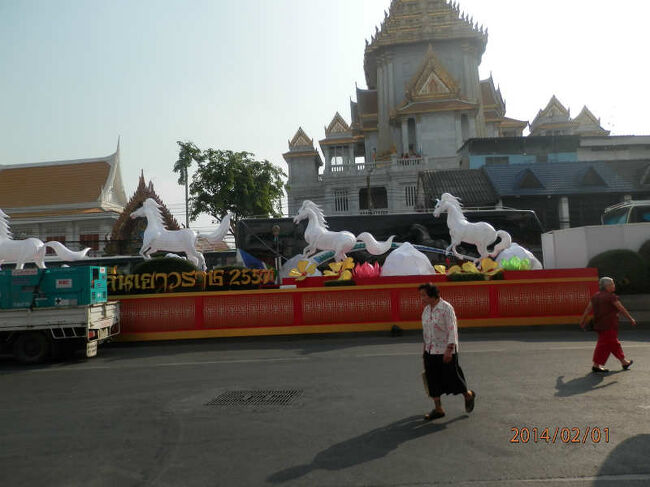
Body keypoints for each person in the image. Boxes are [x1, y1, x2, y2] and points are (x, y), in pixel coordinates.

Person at [419, 283, 476, 420]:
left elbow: (452, 330)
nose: (421, 298)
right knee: (432, 380)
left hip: (446, 351)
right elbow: (426, 331)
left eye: (424, 295)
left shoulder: (446, 308)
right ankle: (438, 409)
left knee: (454, 378)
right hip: (430, 351)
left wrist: (449, 350)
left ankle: (468, 395)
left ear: (433, 295)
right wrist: (424, 350)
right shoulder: (426, 310)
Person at [580, 277, 637, 373]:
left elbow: (588, 309)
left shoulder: (596, 296)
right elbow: (621, 308)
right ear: (607, 286)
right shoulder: (611, 297)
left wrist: (582, 320)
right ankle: (597, 365)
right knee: (610, 344)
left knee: (609, 344)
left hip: (599, 325)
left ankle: (623, 362)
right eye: (612, 284)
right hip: (609, 325)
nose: (614, 285)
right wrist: (630, 318)